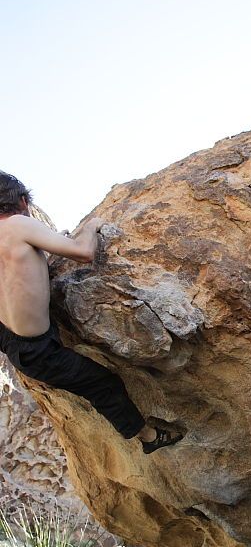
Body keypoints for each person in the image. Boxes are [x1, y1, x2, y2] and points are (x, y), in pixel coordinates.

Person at [0, 171, 182, 454]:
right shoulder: (18, 224)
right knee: (102, 384)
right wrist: (91, 227)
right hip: (38, 351)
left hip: (10, 338)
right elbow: (84, 253)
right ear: (23, 201)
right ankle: (149, 437)